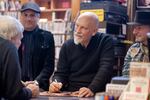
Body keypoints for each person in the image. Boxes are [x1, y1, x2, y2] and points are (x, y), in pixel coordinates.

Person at [49, 12, 114, 97]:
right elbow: (61, 73)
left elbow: (105, 68)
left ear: (94, 31)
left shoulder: (105, 41)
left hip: (96, 92)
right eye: (77, 26)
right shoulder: (67, 45)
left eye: (83, 28)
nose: (78, 31)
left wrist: (92, 89)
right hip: (71, 93)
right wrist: (56, 83)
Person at [18, 1, 55, 91]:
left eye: (32, 15)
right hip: (17, 85)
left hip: (40, 86)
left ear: (38, 17)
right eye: (25, 15)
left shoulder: (47, 37)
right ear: (20, 16)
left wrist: (36, 82)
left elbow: (49, 66)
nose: (28, 19)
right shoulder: (14, 36)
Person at [0, 15, 39, 99]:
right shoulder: (9, 47)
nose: (20, 43)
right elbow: (14, 94)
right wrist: (30, 91)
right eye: (20, 39)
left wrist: (18, 83)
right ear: (11, 37)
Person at [122, 10, 150, 77]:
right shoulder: (133, 48)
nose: (134, 32)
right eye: (134, 28)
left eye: (139, 28)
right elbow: (126, 75)